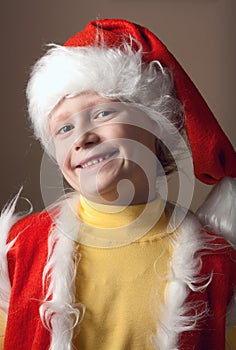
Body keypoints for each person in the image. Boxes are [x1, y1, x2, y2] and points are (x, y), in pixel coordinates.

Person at [0, 18, 235, 350]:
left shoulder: (216, 264)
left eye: (102, 114)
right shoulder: (18, 250)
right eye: (64, 129)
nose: (83, 137)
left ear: (155, 125)